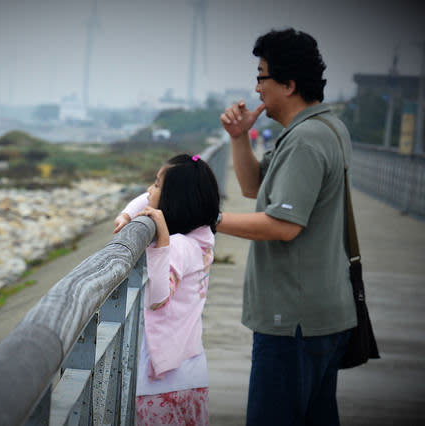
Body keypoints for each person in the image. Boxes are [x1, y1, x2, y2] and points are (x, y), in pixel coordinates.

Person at [217, 28, 357, 425]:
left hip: (294, 322)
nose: (256, 88)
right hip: (315, 316)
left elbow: (283, 225)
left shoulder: (306, 141)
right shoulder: (319, 129)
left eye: (261, 76)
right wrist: (239, 137)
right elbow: (252, 187)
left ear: (289, 84)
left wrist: (209, 220)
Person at [114, 154, 220, 426]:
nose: (149, 191)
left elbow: (157, 298)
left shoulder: (179, 247)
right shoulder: (203, 235)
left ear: (176, 199)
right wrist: (127, 213)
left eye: (157, 184)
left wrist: (161, 243)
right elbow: (148, 200)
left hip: (161, 383)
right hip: (190, 371)